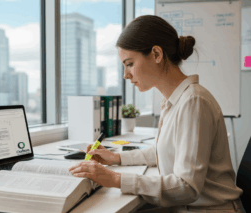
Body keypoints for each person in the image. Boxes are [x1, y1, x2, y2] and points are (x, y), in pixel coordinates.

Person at [68, 15, 243, 213]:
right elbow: (163, 151)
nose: (125, 75)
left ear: (157, 54)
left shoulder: (193, 102)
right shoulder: (174, 101)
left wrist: (115, 179)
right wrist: (116, 158)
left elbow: (187, 187)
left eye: (130, 64)